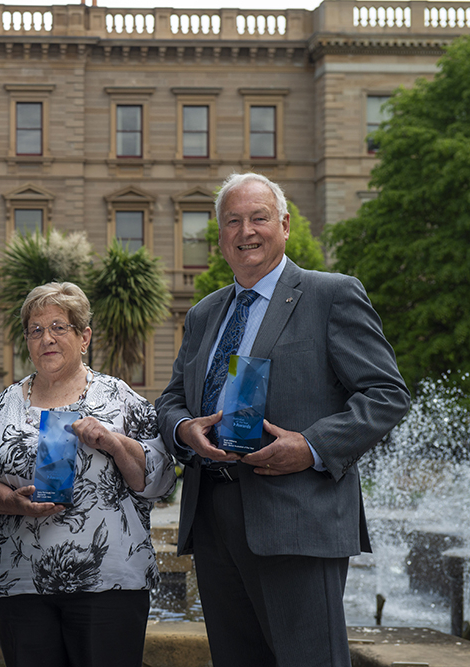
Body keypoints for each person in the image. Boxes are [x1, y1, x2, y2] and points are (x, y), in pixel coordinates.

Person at [155, 172, 410, 667]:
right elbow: (170, 401)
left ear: (285, 225)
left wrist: (311, 446)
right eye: (233, 221)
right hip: (213, 519)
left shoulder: (330, 295)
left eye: (259, 218)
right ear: (220, 235)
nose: (245, 231)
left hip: (298, 517)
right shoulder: (205, 313)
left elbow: (386, 394)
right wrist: (185, 429)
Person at [0, 281, 176, 667]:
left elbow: (160, 478)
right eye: (36, 329)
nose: (47, 338)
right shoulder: (5, 405)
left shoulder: (119, 398)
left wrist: (114, 443)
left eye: (60, 327)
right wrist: (11, 501)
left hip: (108, 583)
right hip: (19, 582)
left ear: (84, 336)